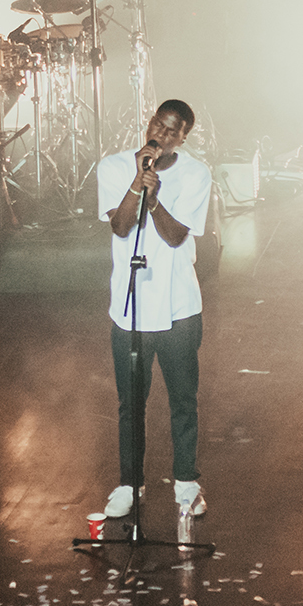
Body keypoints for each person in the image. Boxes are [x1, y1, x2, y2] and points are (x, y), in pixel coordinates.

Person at [97, 99, 211, 520]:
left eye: (172, 131)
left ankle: (186, 483)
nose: (161, 136)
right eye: (157, 126)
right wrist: (136, 183)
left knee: (183, 398)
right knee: (131, 402)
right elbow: (122, 225)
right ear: (148, 125)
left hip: (180, 307)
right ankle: (130, 484)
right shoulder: (112, 168)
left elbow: (177, 236)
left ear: (184, 137)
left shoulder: (196, 173)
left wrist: (156, 198)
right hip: (130, 309)